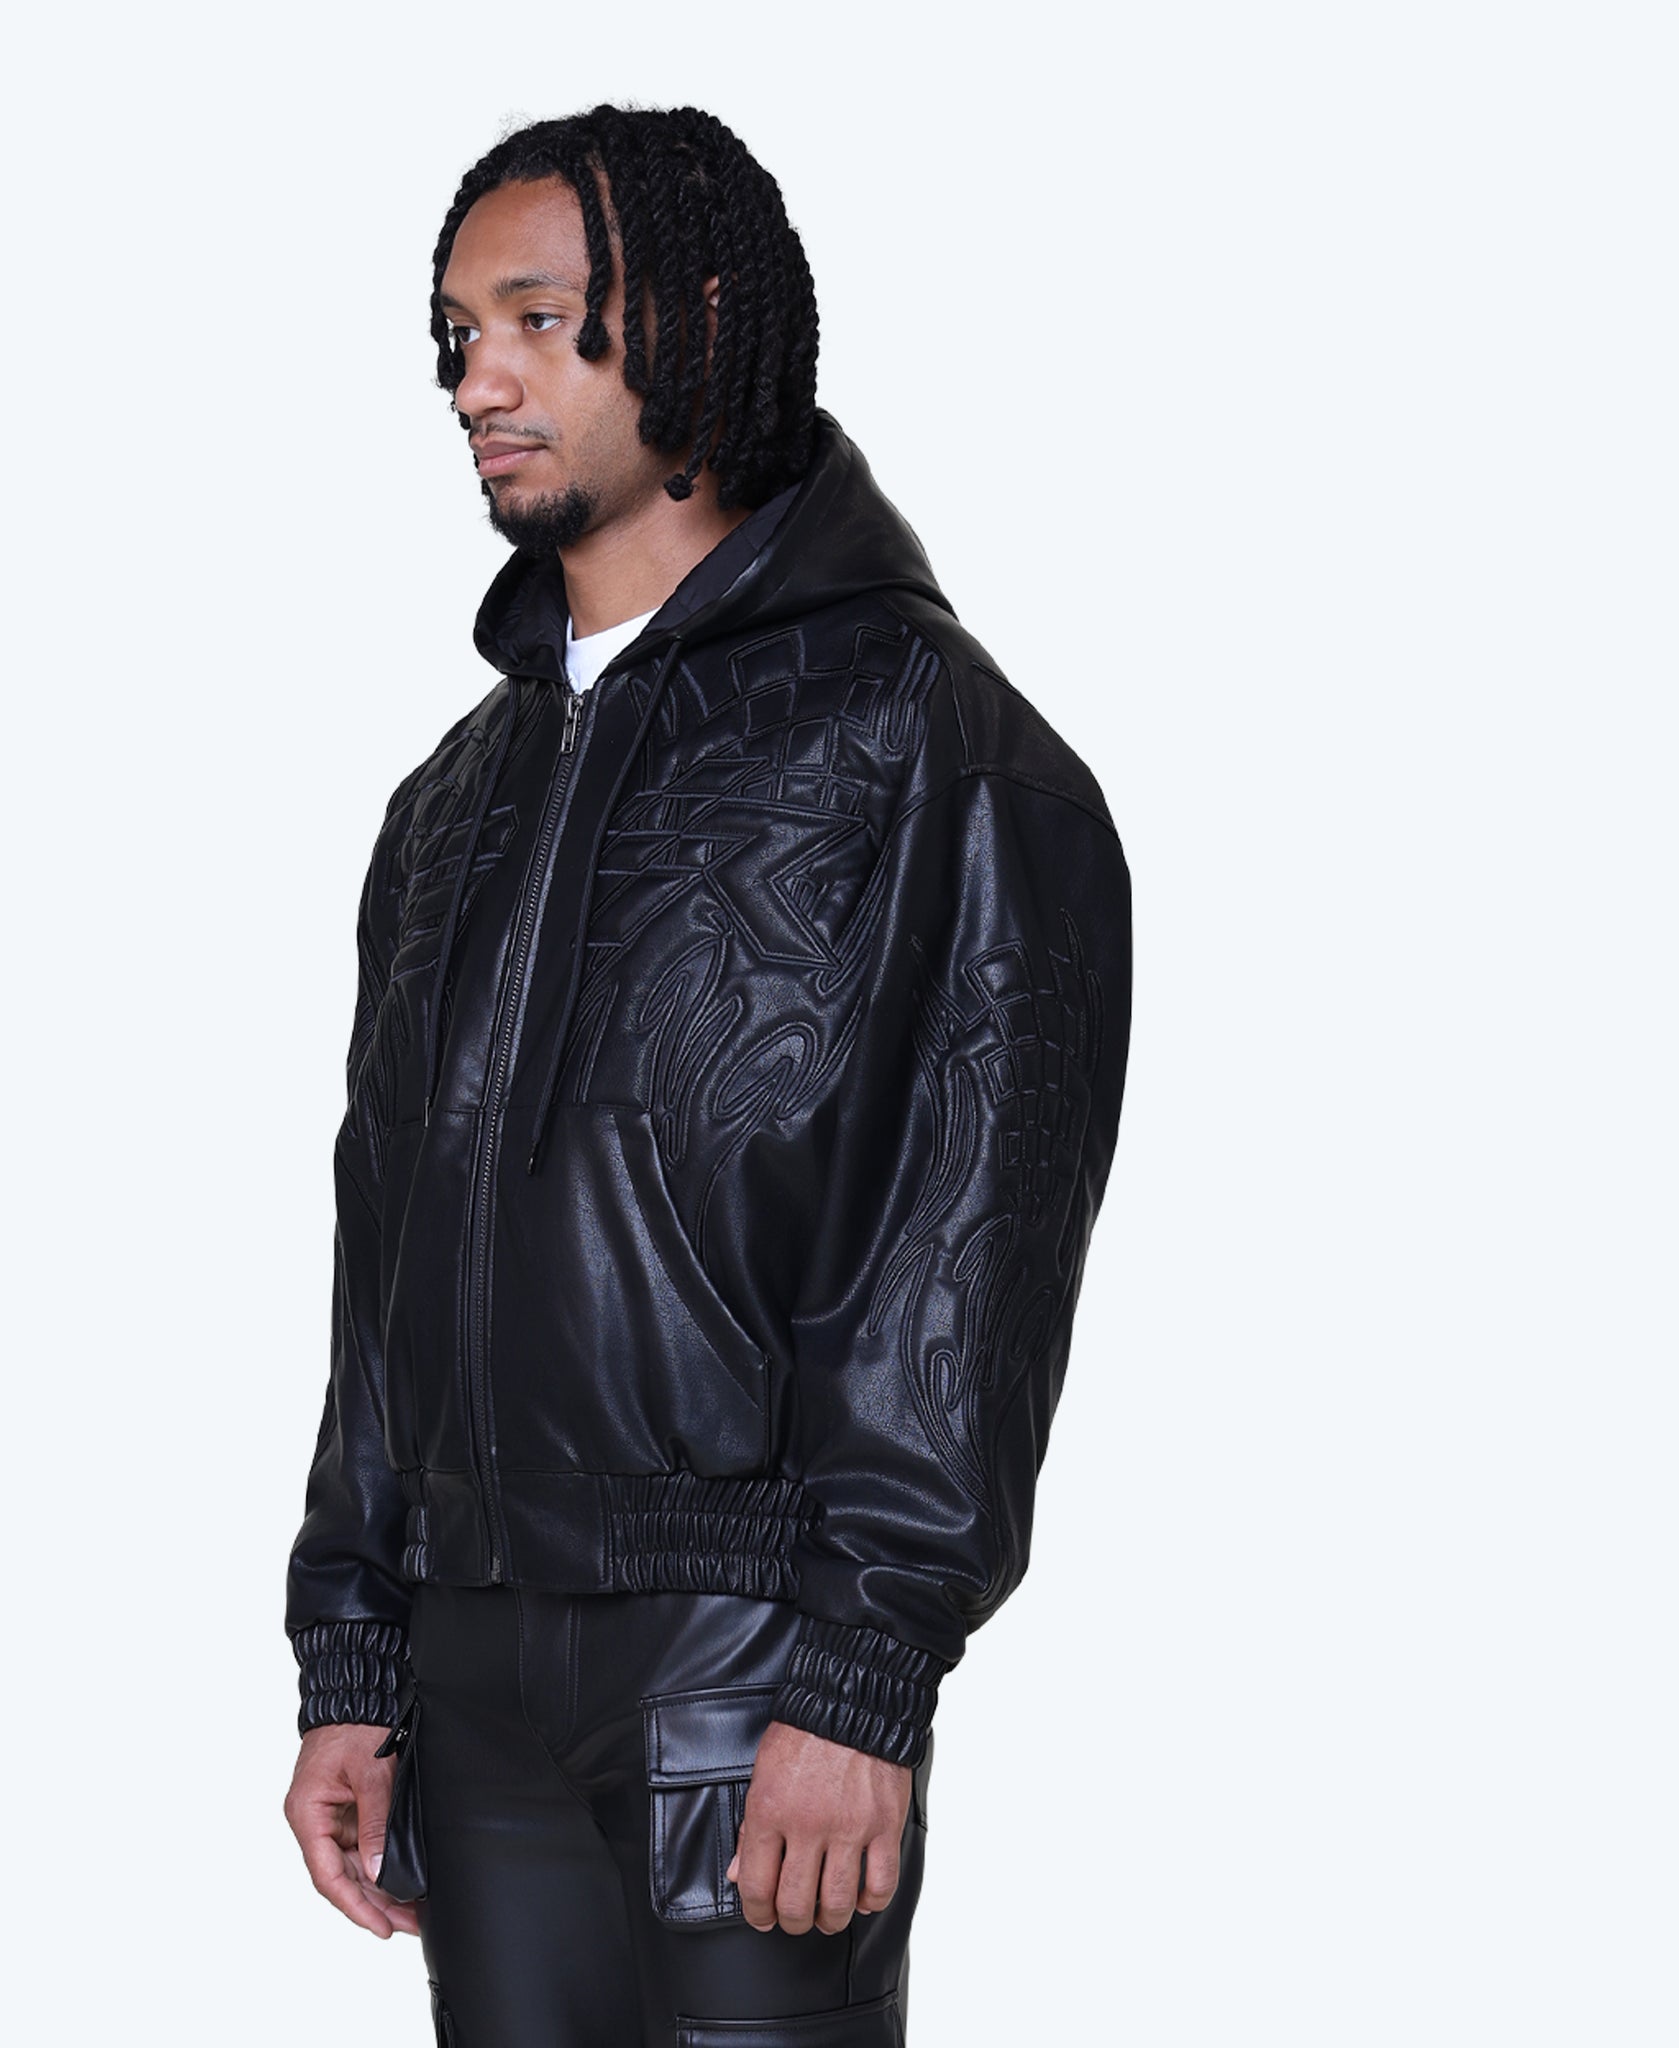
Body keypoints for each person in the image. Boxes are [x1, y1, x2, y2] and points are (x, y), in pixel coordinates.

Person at [282, 103, 1132, 2047]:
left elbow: (968, 1239)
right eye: (456, 333)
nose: (477, 380)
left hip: (744, 1672)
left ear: (700, 318)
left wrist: (860, 1672)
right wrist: (356, 1646)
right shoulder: (453, 801)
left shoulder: (930, 748)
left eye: (535, 319)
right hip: (468, 1679)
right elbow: (383, 1239)